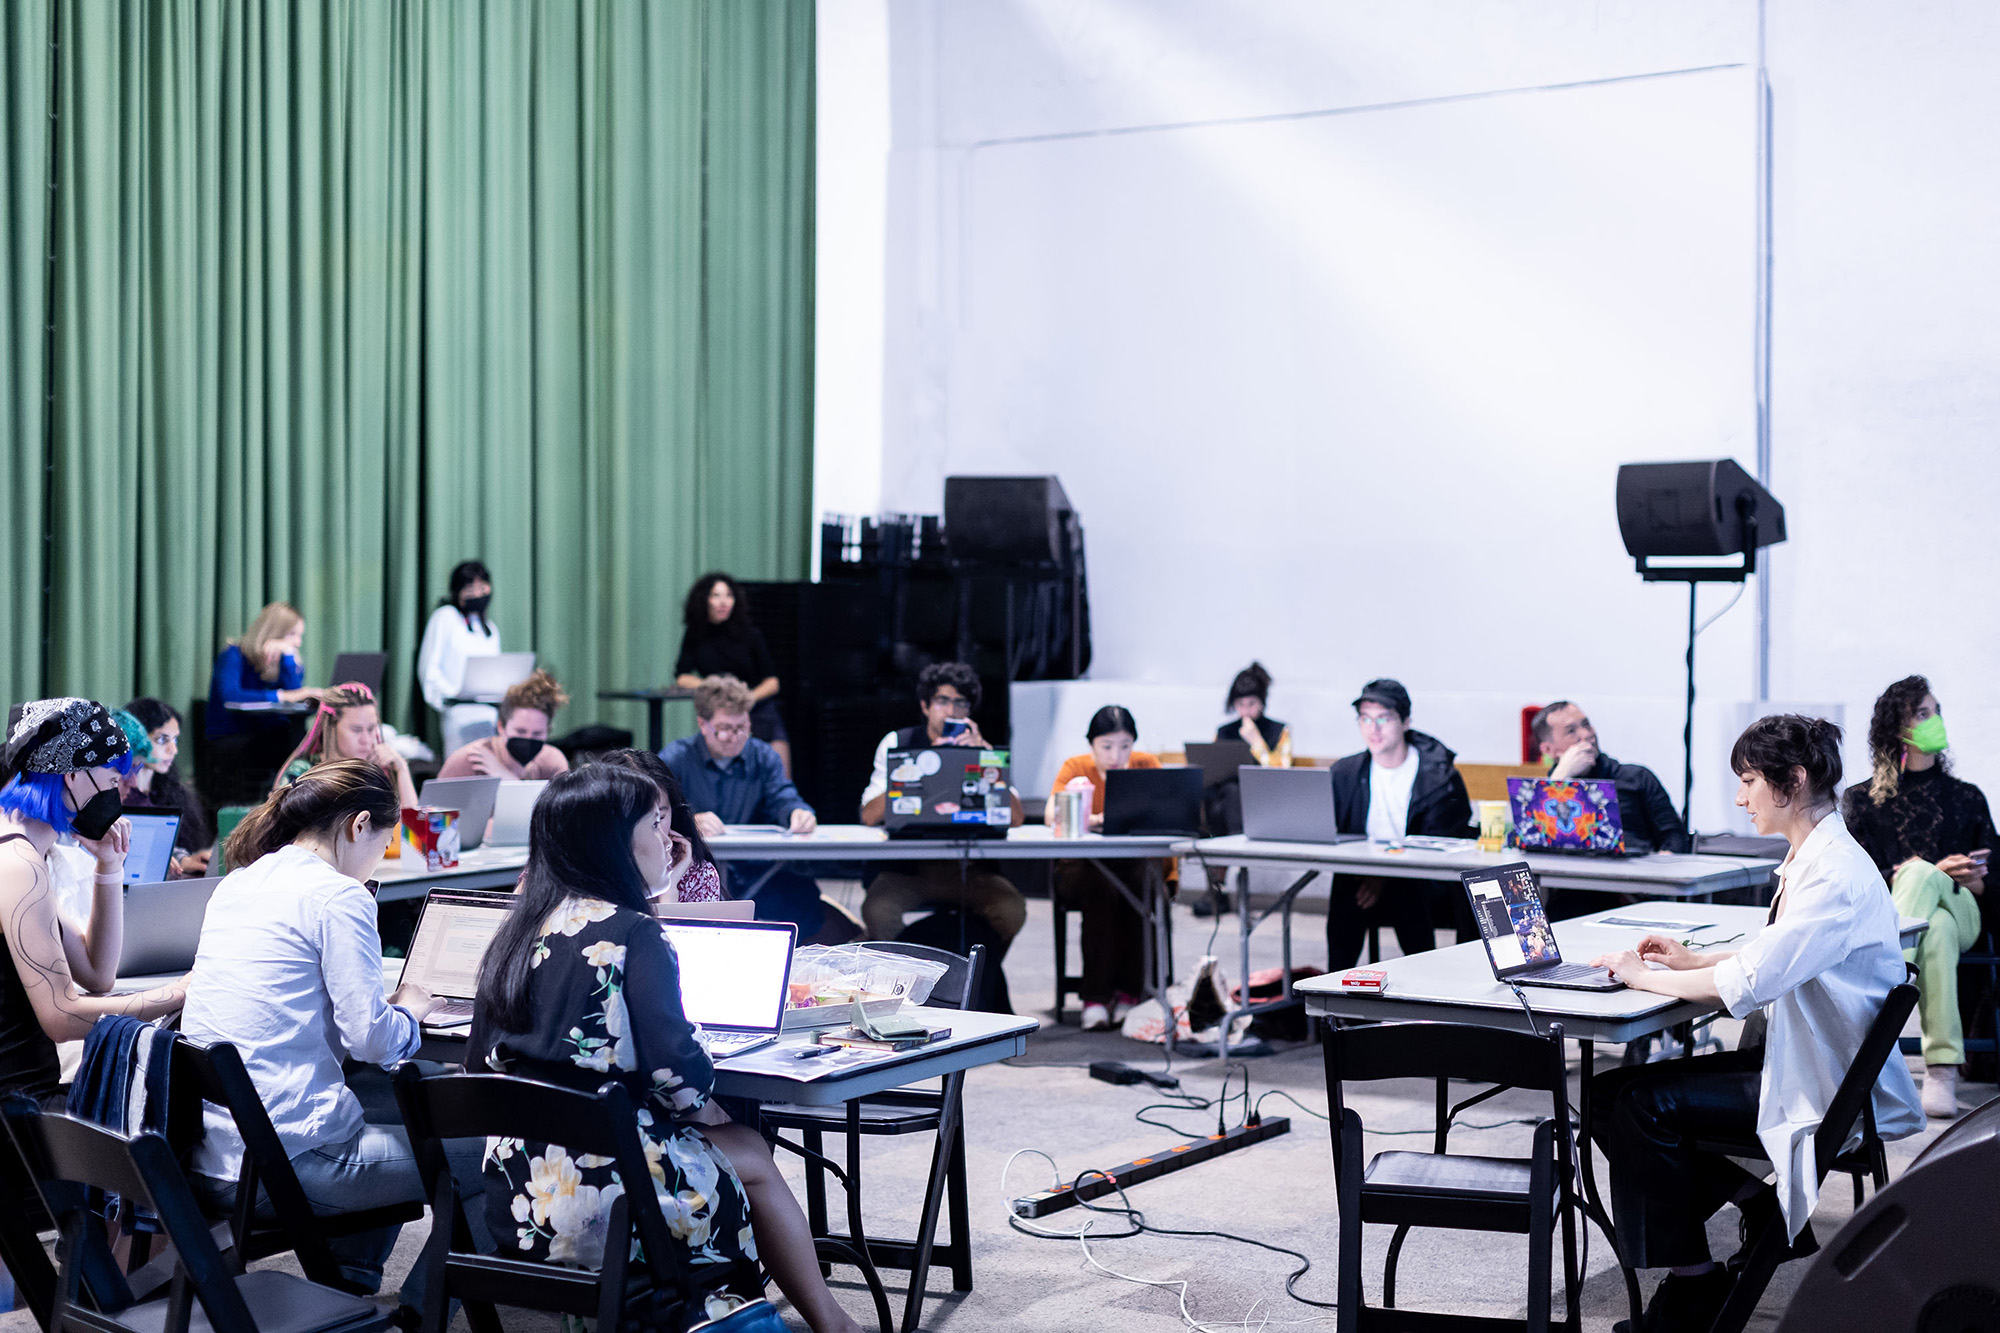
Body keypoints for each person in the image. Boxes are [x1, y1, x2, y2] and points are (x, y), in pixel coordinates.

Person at [467, 766, 863, 1333]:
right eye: (655, 825)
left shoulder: (514, 932)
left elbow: (475, 1069)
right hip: (617, 1196)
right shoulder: (635, 934)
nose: (669, 839)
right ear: (612, 844)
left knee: (723, 1139)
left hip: (521, 1197)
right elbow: (682, 1082)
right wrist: (707, 1100)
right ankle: (831, 1322)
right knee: (746, 1143)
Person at [1587, 715, 1923, 1332]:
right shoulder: (1816, 855)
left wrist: (1640, 976)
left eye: (1748, 781)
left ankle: (1693, 1292)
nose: (1740, 798)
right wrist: (1692, 960)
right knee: (1605, 1094)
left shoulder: (1833, 875)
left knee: (1640, 1106)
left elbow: (1743, 985)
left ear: (1791, 782)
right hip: (1812, 1060)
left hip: (1826, 1088)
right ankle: (1756, 1203)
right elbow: (1776, 951)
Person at [179, 760, 453, 1301]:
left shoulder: (240, 882)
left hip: (214, 1153)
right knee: (485, 1155)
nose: (382, 857)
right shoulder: (339, 896)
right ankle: (421, 1314)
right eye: (385, 839)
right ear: (358, 826)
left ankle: (347, 1291)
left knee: (396, 1099)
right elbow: (372, 1041)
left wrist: (381, 1011)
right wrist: (411, 1011)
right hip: (285, 1165)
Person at [0, 699, 189, 1108]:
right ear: (72, 775)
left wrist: (109, 865)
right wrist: (177, 993)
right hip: (20, 1110)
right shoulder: (18, 865)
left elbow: (97, 974)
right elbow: (60, 1016)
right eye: (109, 779)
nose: (118, 792)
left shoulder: (23, 854)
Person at [1840, 675, 1996, 1118]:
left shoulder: (1967, 797)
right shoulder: (1861, 800)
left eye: (1937, 711)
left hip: (1964, 908)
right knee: (1936, 926)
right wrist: (1925, 872)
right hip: (1900, 914)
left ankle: (1882, 989)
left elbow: (1996, 873)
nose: (1935, 721)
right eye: (1922, 714)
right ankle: (1943, 1069)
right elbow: (1857, 878)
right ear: (1896, 728)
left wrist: (1976, 880)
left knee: (1932, 890)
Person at [660, 676, 851, 940]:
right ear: (702, 724)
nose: (735, 737)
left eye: (742, 727)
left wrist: (797, 812)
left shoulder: (763, 756)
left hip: (754, 871)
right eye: (725, 728)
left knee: (803, 897)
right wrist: (689, 820)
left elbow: (782, 795)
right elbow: (653, 812)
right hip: (695, 870)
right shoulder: (676, 758)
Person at [858, 662, 1027, 948]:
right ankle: (909, 979)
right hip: (905, 869)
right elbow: (869, 815)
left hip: (966, 869)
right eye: (942, 701)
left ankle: (977, 978)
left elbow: (1016, 817)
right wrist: (920, 766)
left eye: (960, 703)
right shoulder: (900, 742)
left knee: (1011, 911)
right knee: (878, 911)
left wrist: (982, 757)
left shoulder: (979, 750)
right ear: (925, 706)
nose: (951, 711)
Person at [1325, 680, 1474, 970]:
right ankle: (1333, 996)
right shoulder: (1345, 772)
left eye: (1384, 718)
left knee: (1405, 890)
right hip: (1361, 876)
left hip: (1423, 880)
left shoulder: (1439, 776)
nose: (1373, 729)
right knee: (1346, 888)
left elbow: (1441, 842)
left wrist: (1385, 875)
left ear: (1405, 722)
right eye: (1365, 719)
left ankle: (1423, 990)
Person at [1048, 706, 1172, 1030]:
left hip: (1135, 866)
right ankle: (1096, 997)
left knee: (1139, 885)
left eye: (1125, 745)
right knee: (1101, 886)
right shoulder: (1076, 768)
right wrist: (1091, 819)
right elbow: (1052, 814)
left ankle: (1131, 994)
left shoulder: (1146, 766)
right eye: (1106, 746)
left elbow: (1168, 812)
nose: (1116, 755)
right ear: (1091, 744)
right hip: (1081, 869)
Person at [1532, 701, 1689, 855]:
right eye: (1571, 731)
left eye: (1586, 724)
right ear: (1548, 749)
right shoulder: (1540, 793)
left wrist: (1663, 864)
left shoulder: (1637, 778)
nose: (1586, 735)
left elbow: (1675, 837)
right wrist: (1559, 779)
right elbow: (1530, 843)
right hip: (1567, 877)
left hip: (1635, 874)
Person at [674, 573, 790, 775]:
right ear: (704, 600)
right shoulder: (695, 634)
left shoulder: (750, 633)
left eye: (728, 595)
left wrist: (746, 699)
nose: (723, 602)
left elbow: (772, 682)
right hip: (722, 712)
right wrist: (713, 686)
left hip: (757, 708)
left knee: (779, 771)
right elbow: (682, 676)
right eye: (716, 595)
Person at [206, 603, 326, 797]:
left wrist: (288, 659)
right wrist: (282, 696)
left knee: (302, 736)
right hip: (236, 735)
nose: (297, 643)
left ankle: (301, 795)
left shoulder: (284, 660)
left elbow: (296, 695)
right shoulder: (234, 655)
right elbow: (232, 697)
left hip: (269, 736)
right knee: (294, 741)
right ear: (274, 632)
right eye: (292, 635)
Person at [596, 749, 727, 903]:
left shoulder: (694, 873)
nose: (662, 838)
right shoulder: (585, 872)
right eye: (649, 822)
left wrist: (670, 887)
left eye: (661, 818)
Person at [274, 683, 420, 811]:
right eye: (356, 730)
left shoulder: (379, 767)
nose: (366, 740)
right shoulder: (303, 773)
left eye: (371, 729)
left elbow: (412, 830)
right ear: (331, 727)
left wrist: (402, 770)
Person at [116, 698, 213, 876]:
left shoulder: (175, 793)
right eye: (162, 740)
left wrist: (185, 859)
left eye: (175, 740)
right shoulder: (115, 793)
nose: (173, 750)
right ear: (136, 740)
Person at [417, 559, 502, 755]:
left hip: (488, 714)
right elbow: (429, 669)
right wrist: (451, 697)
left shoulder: (489, 628)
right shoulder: (445, 617)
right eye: (470, 587)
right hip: (459, 713)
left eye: (483, 587)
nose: (478, 593)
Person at [439, 669, 573, 782]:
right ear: (500, 727)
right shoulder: (470, 761)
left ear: (548, 732)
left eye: (537, 734)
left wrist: (505, 777)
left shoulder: (552, 762)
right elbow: (435, 812)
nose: (528, 739)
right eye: (520, 731)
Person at [1217, 662, 1292, 767]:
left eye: (1251, 703)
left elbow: (1283, 772)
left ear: (1261, 702)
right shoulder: (1224, 732)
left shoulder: (1279, 731)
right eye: (1240, 704)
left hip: (1265, 783)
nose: (1246, 710)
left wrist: (1256, 742)